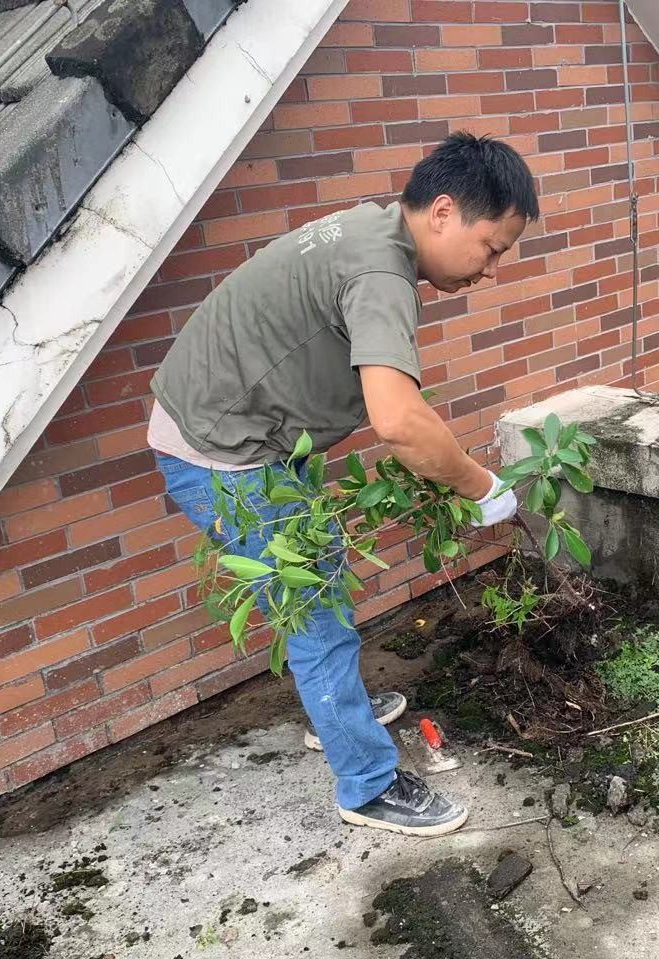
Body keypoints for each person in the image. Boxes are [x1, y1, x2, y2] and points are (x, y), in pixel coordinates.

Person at [146, 133, 539, 838]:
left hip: (249, 432)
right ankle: (367, 783)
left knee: (319, 575)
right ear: (444, 213)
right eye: (493, 247)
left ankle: (339, 716)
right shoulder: (381, 270)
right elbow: (398, 420)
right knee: (315, 610)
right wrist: (480, 485)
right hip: (223, 453)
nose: (493, 270)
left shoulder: (373, 230)